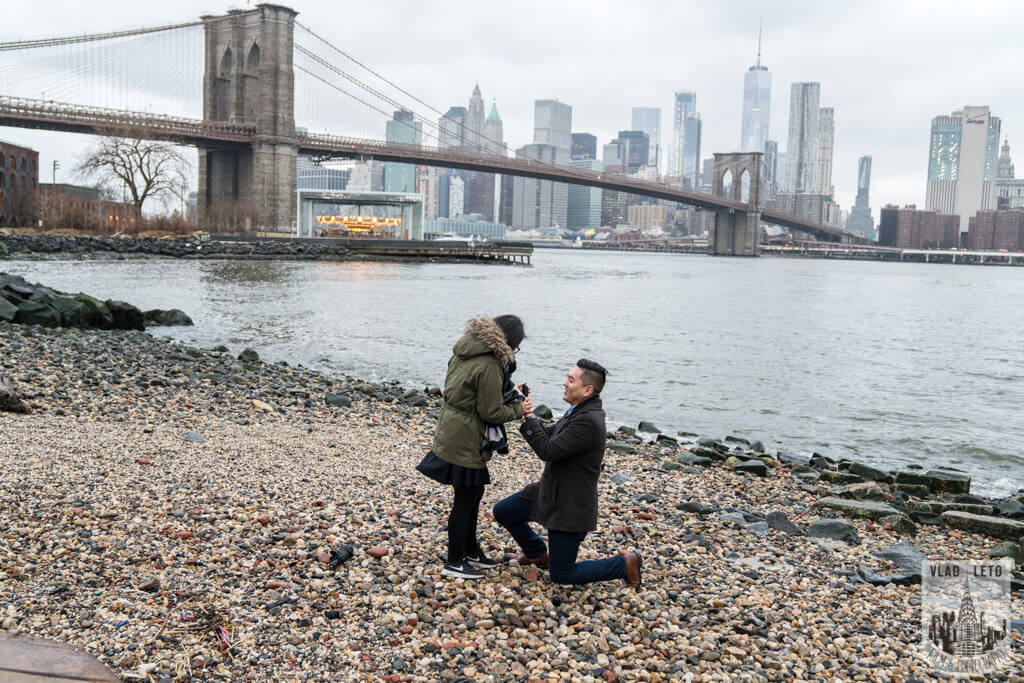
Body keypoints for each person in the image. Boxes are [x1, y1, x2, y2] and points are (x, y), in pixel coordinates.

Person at [493, 359, 642, 587]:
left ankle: (625, 565)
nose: (565, 383)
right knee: (504, 511)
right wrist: (524, 408)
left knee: (562, 575)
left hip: (569, 507)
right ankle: (536, 552)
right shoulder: (579, 410)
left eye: (571, 380)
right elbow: (549, 435)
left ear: (587, 389)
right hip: (549, 491)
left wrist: (530, 418)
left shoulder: (589, 421)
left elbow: (548, 450)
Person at [417, 315, 525, 580]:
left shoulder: (465, 348)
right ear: (509, 342)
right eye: (517, 347)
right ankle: (454, 561)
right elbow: (491, 410)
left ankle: (471, 551)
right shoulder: (489, 363)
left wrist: (508, 392)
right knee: (466, 499)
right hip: (466, 436)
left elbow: (468, 392)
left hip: (452, 427)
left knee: (472, 493)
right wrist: (518, 408)